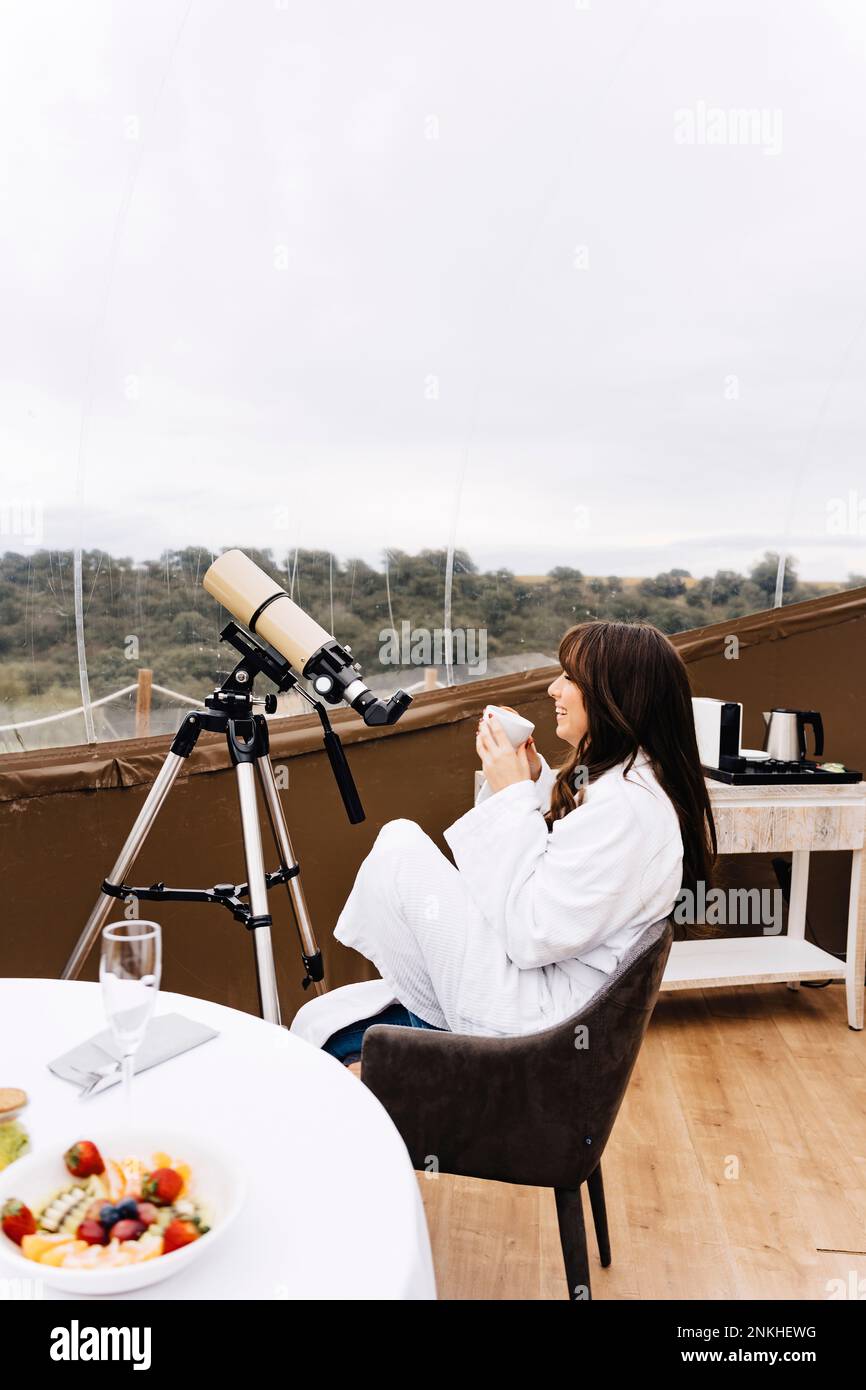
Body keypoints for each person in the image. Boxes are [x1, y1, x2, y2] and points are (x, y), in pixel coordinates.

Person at [290, 619, 717, 1067]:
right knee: (398, 852)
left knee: (400, 846)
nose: (554, 689)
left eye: (570, 678)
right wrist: (531, 782)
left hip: (539, 1018)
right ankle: (431, 1013)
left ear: (617, 696)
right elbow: (563, 868)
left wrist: (513, 796)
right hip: (550, 986)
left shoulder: (627, 807)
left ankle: (434, 1030)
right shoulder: (626, 786)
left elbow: (532, 934)